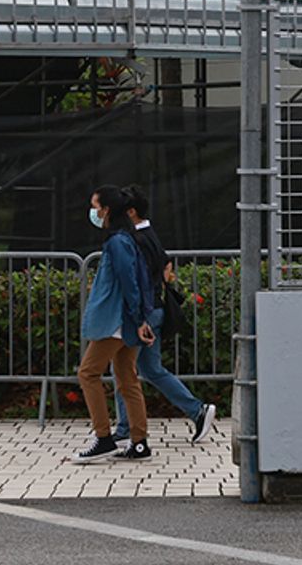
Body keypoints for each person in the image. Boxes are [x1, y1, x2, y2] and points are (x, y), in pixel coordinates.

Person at [110, 185, 217, 446]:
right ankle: (197, 410)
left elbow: (139, 280)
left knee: (124, 370)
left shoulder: (135, 238)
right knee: (151, 369)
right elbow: (165, 265)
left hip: (144, 313)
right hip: (154, 310)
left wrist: (139, 317)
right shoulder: (147, 233)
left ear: (131, 212)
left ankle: (125, 428)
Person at [71, 184, 155, 463]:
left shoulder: (117, 242)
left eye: (95, 207)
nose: (93, 212)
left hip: (115, 320)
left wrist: (137, 315)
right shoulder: (127, 239)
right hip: (127, 319)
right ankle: (139, 442)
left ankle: (104, 437)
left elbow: (127, 281)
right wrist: (141, 317)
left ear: (106, 210)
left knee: (88, 373)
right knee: (127, 379)